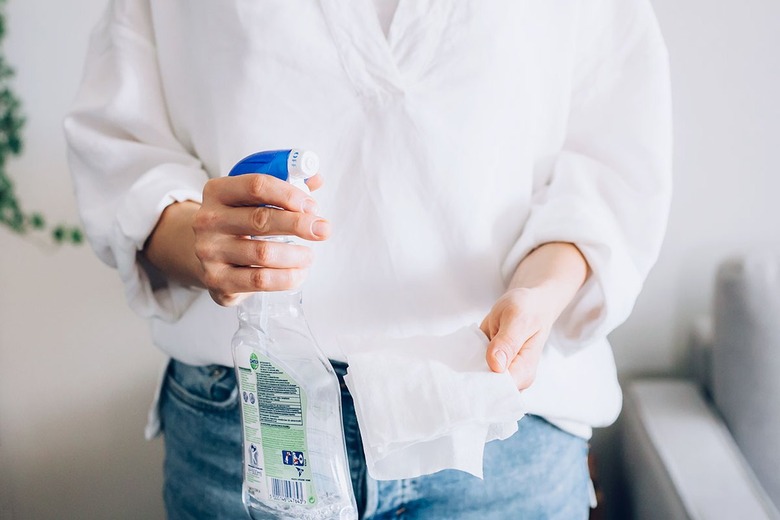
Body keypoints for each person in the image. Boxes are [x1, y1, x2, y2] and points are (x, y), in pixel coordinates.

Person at [64, 0, 671, 518]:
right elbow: (123, 154)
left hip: (499, 431)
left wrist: (538, 295)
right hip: (250, 424)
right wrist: (203, 242)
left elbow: (609, 171)